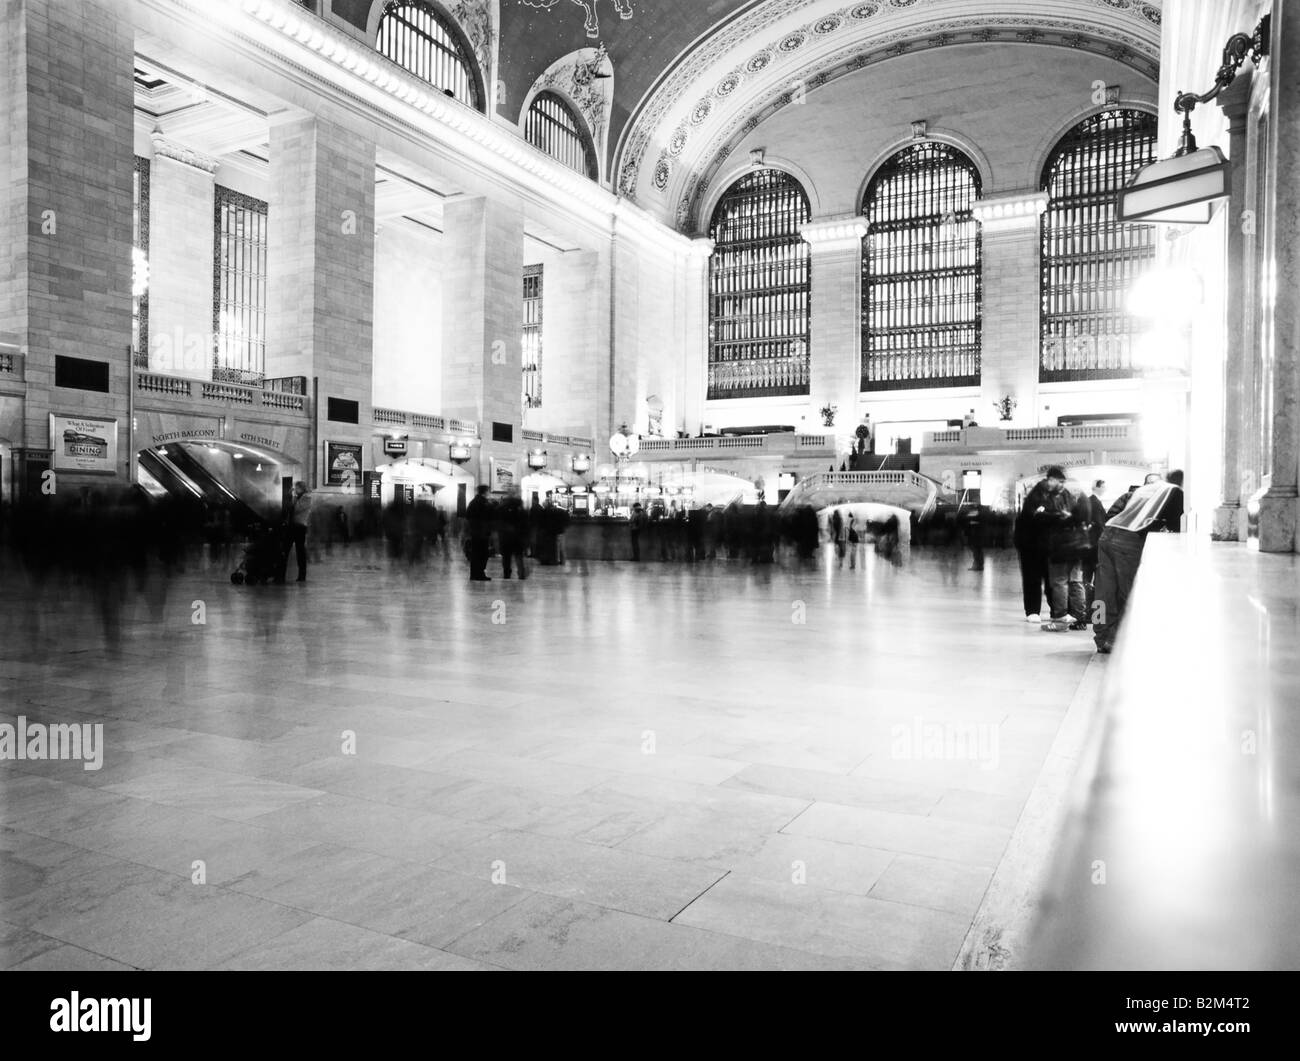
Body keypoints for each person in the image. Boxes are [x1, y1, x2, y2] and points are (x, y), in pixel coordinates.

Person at [1093, 471, 1185, 654]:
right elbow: (1177, 527)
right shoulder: (1175, 492)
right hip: (1129, 539)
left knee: (1104, 591)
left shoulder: (1148, 488)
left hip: (1108, 533)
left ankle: (1101, 637)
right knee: (1130, 593)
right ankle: (1118, 640)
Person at [1037, 470, 1092, 632]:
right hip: (1079, 545)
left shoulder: (1061, 497)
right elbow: (1086, 520)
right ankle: (1080, 619)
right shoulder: (1083, 498)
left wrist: (1042, 514)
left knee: (1059, 581)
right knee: (1076, 581)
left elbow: (1054, 519)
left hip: (1061, 545)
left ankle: (1060, 621)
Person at [1014, 474, 1054, 623]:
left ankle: (1033, 610)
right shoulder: (1038, 506)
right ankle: (1050, 609)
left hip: (1031, 549)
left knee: (1033, 580)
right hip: (1036, 548)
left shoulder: (1029, 506)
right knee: (1046, 580)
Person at [279, 481, 312, 583]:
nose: (295, 490)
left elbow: (296, 508)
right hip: (292, 526)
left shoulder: (307, 498)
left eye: (297, 488)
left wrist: (292, 498)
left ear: (302, 488)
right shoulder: (296, 498)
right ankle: (281, 575)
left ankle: (302, 575)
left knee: (300, 551)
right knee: (285, 549)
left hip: (300, 527)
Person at [466, 484, 494, 581]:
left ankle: (474, 574)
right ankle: (479, 574)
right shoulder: (483, 503)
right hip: (482, 532)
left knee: (476, 554)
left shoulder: (473, 502)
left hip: (475, 532)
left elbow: (468, 516)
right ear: (485, 492)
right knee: (482, 554)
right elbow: (488, 517)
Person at [498, 496, 528, 580]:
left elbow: (500, 524)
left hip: (506, 538)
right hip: (518, 538)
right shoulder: (522, 512)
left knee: (506, 557)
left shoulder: (503, 511)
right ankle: (521, 573)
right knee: (519, 556)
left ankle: (506, 573)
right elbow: (526, 526)